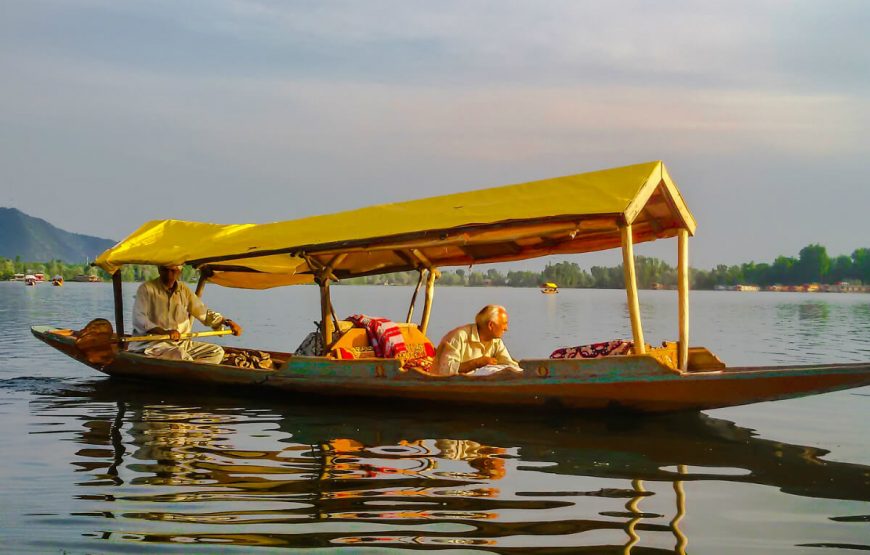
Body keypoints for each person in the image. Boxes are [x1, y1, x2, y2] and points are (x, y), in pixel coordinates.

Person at [131, 264, 242, 363]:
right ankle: (192, 369)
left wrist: (227, 322)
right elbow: (139, 319)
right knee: (180, 355)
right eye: (165, 270)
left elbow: (203, 312)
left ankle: (194, 370)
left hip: (181, 343)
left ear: (179, 272)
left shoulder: (184, 290)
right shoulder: (146, 289)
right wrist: (163, 332)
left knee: (217, 351)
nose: (169, 275)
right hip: (154, 344)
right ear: (159, 270)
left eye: (173, 271)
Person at [432, 304, 517, 375]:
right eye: (504, 324)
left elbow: (509, 364)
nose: (506, 328)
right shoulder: (459, 336)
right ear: (491, 325)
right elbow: (443, 370)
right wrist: (476, 363)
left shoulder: (496, 341)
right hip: (450, 388)